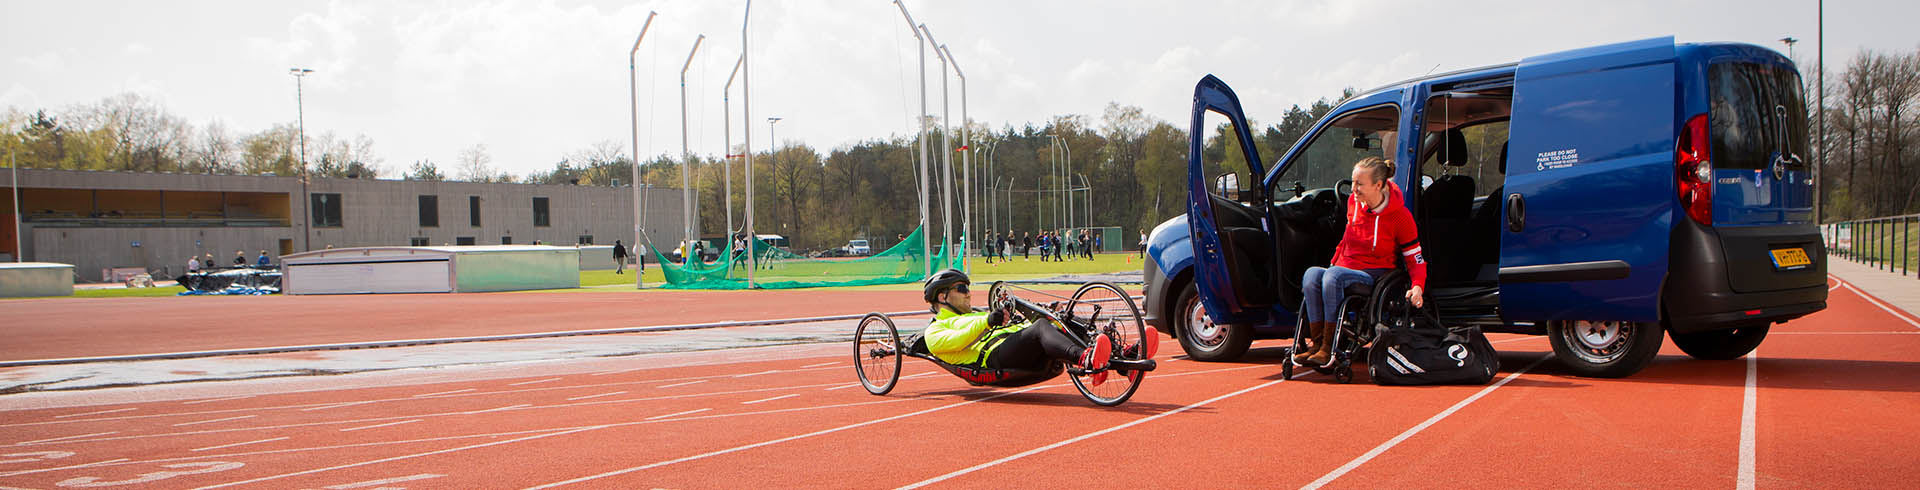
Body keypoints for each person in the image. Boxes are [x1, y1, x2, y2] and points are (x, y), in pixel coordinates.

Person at [920, 269, 1157, 387]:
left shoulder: (978, 313)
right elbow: (958, 340)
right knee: (1041, 327)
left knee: (1056, 320)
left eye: (968, 288)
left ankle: (1125, 360)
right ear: (942, 297)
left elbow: (1015, 327)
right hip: (993, 359)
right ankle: (1086, 359)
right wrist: (988, 321)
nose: (969, 293)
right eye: (962, 289)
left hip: (1014, 348)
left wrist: (1044, 310)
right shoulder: (935, 331)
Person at [1295, 156, 1428, 366]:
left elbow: (1415, 258)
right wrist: (1334, 262)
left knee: (1333, 276)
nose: (1354, 189)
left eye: (1360, 184)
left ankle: (1330, 346)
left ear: (1378, 185)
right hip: (1344, 268)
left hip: (1375, 272)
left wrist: (1418, 286)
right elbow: (1347, 239)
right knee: (1312, 274)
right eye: (1353, 182)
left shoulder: (1400, 217)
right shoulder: (1352, 203)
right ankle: (1318, 344)